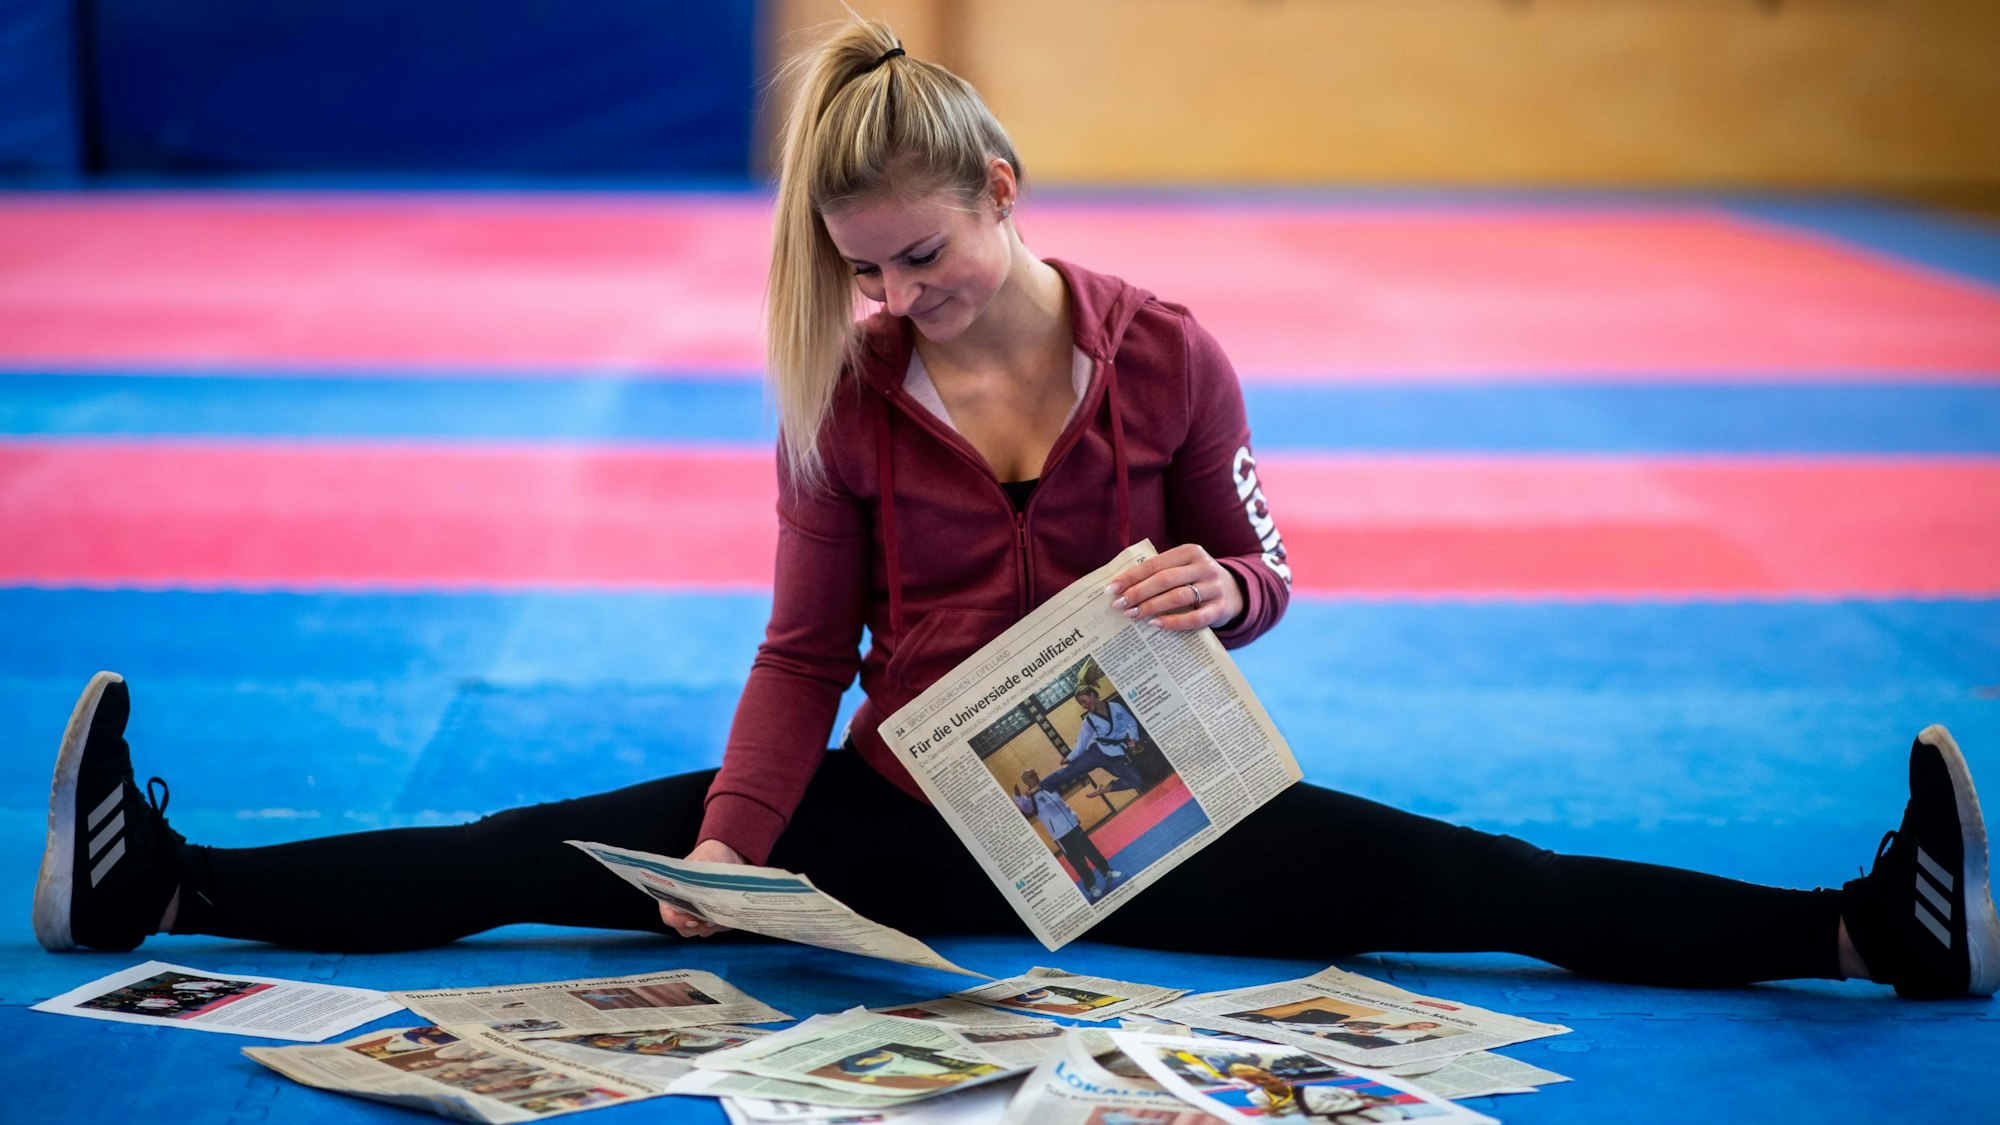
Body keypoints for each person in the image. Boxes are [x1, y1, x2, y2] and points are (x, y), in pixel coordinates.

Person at [27, 18, 1999, 1003]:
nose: (888, 299)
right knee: (533, 850)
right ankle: (162, 889)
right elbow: (805, 648)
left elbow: (1273, 565)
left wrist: (1225, 590)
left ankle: (1864, 923)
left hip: (1122, 812)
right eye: (857, 268)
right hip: (888, 822)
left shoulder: (1170, 349)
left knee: (1471, 883)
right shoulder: (847, 392)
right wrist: (735, 855)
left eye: (915, 257)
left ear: (1004, 190)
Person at [1013, 767, 1120, 897]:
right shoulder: (1029, 798)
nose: (1035, 777)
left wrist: (1073, 815)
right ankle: (1091, 886)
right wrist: (1018, 796)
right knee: (1078, 861)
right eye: (1031, 776)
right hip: (1060, 835)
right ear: (1026, 781)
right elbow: (1026, 807)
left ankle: (1106, 871)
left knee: (1091, 851)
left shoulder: (1048, 786)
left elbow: (1063, 803)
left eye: (1035, 774)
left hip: (1073, 826)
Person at [1040, 676, 1147, 799]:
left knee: (1136, 780)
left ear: (1092, 695)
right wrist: (1070, 758)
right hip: (1096, 753)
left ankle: (1105, 788)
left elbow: (1131, 722)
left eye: (1084, 701)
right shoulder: (1088, 721)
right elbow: (1081, 742)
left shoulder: (1116, 707)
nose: (1084, 706)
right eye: (1081, 704)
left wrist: (1133, 739)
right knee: (1070, 772)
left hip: (1116, 754)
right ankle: (1041, 785)